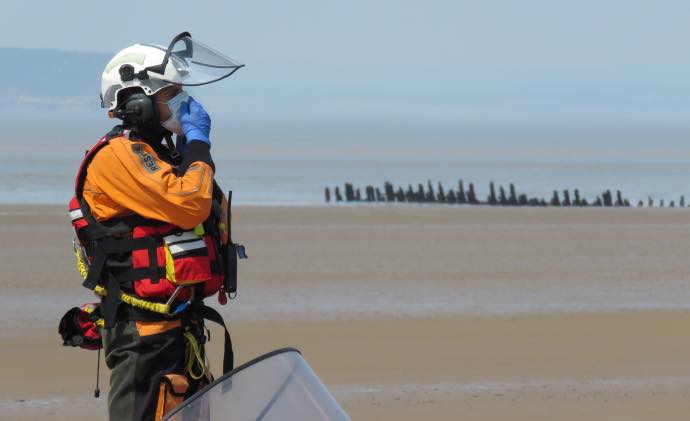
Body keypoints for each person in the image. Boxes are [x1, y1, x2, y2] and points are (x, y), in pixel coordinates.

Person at [65, 33, 243, 421]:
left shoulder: (161, 156)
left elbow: (206, 206)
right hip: (144, 334)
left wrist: (190, 149)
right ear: (137, 102)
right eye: (171, 93)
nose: (183, 102)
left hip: (178, 329)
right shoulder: (117, 157)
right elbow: (189, 205)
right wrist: (199, 144)